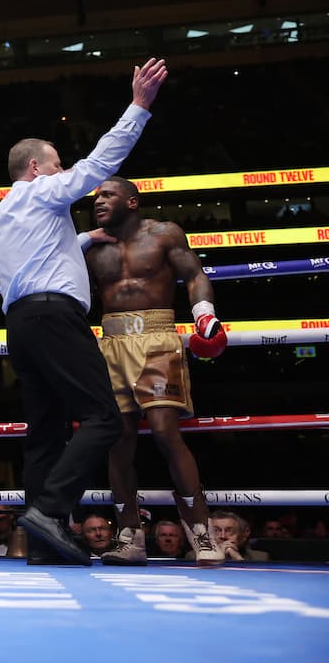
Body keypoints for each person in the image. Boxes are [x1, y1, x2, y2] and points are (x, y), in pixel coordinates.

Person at [0, 57, 168, 566]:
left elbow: (37, 253)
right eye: (56, 163)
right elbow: (97, 166)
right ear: (36, 169)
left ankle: (43, 545)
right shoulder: (44, 191)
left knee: (44, 433)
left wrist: (86, 236)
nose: (63, 171)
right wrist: (139, 107)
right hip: (54, 317)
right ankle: (49, 511)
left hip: (20, 326)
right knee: (104, 418)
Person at [83, 175, 228, 566]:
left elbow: (195, 275)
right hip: (109, 343)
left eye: (108, 195)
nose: (99, 201)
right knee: (118, 439)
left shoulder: (164, 233)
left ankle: (200, 531)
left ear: (131, 202)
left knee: (165, 431)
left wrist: (204, 316)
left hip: (157, 338)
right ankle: (129, 536)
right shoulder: (91, 246)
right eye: (97, 196)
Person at [203, 510, 269, 562]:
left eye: (229, 531)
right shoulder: (194, 557)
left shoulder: (261, 558)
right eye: (216, 531)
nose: (223, 536)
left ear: (243, 536)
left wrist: (238, 559)